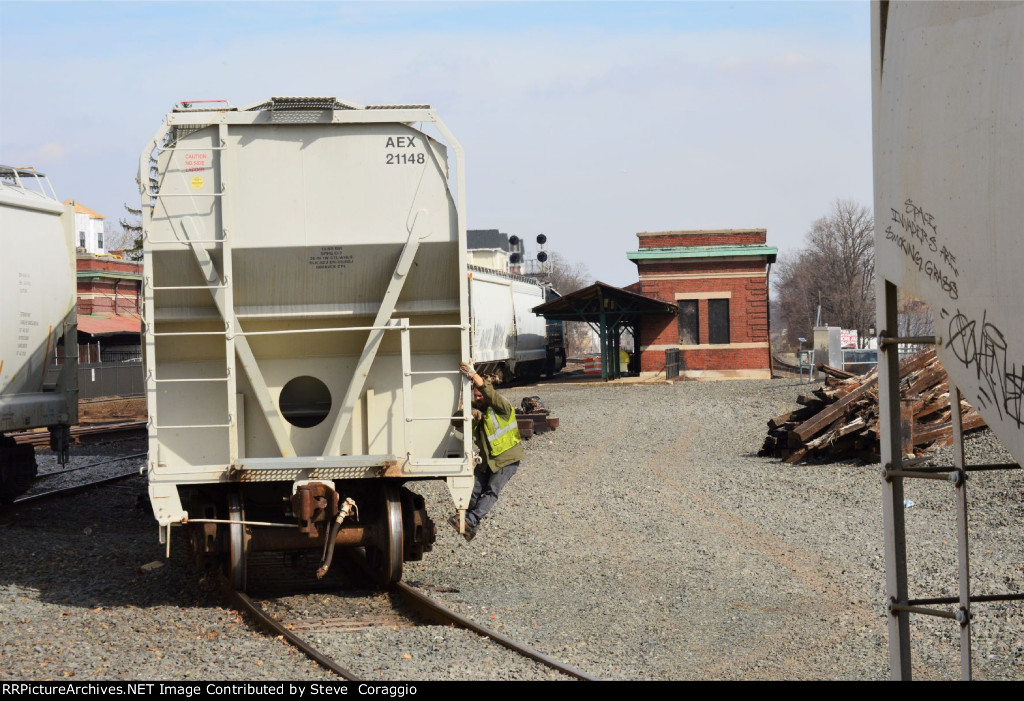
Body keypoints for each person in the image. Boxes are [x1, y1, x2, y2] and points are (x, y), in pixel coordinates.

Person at [449, 361, 524, 542]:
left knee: (491, 492)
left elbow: (489, 393)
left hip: (506, 459)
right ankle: (466, 522)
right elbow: (455, 422)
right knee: (473, 489)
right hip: (488, 459)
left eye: (480, 395)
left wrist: (474, 377)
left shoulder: (502, 407)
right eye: (476, 396)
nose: (479, 398)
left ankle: (471, 520)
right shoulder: (477, 413)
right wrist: (468, 412)